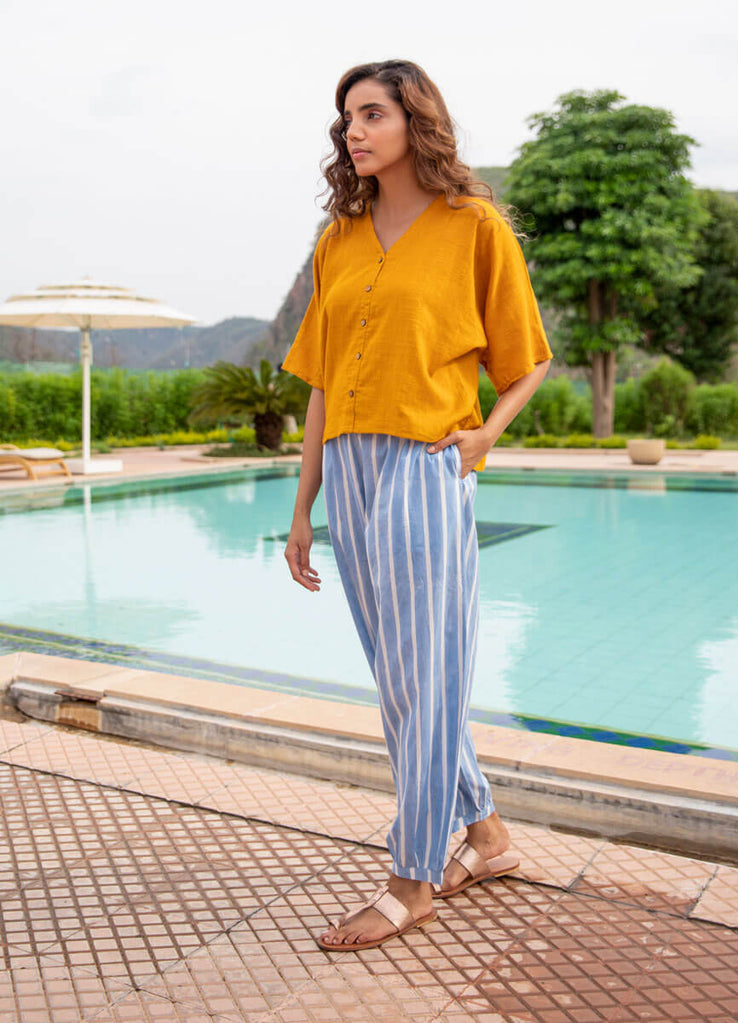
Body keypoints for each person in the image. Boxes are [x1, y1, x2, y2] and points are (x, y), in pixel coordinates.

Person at [282, 59, 552, 952]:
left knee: (423, 681)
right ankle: (488, 838)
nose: (352, 131)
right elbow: (321, 384)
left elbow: (528, 358)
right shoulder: (339, 236)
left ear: (413, 121)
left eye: (370, 114)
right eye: (346, 118)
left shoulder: (472, 225)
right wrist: (303, 506)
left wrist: (486, 435)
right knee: (405, 682)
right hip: (350, 470)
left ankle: (411, 882)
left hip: (424, 463)